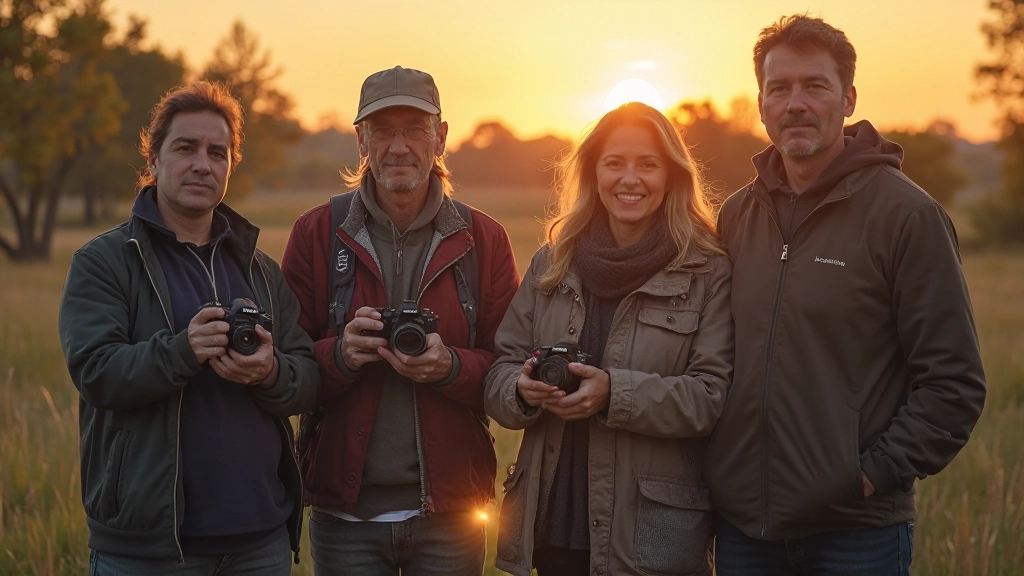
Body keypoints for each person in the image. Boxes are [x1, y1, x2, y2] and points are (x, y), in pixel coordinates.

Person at [705, 15, 987, 575]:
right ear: (761, 105)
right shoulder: (738, 215)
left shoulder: (908, 216)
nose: (796, 103)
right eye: (779, 88)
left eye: (815, 85)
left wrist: (869, 473)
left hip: (856, 534)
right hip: (743, 531)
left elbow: (954, 381)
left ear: (848, 97)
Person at [58, 81, 319, 574]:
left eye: (216, 152)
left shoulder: (260, 269)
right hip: (151, 549)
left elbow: (306, 379)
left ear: (229, 167)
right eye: (185, 148)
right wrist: (181, 351)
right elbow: (95, 372)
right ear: (153, 159)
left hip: (260, 540)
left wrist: (268, 371)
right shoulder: (106, 261)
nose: (202, 163)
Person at [280, 66, 520, 576]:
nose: (399, 146)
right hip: (346, 518)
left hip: (452, 516)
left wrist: (448, 366)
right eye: (383, 130)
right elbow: (285, 370)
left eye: (414, 128)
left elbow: (510, 371)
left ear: (441, 136)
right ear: (361, 139)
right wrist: (341, 355)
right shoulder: (316, 234)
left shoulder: (485, 239)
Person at [484, 102, 734, 576]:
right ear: (593, 172)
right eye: (614, 163)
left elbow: (711, 397)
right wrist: (522, 389)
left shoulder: (705, 270)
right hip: (551, 528)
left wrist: (614, 393)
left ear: (673, 175)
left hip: (649, 543)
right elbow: (500, 368)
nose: (629, 179)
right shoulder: (552, 262)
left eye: (648, 164)